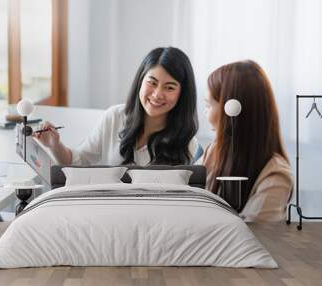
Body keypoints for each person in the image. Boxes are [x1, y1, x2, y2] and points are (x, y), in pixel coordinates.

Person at [35, 47, 201, 166]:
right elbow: (79, 162)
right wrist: (55, 145)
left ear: (182, 94)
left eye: (169, 87)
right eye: (152, 82)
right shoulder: (115, 117)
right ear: (140, 82)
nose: (157, 94)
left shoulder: (188, 143)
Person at [201, 60, 293, 222]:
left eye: (208, 106)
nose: (205, 113)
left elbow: (251, 237)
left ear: (231, 111)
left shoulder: (276, 175)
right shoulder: (214, 151)